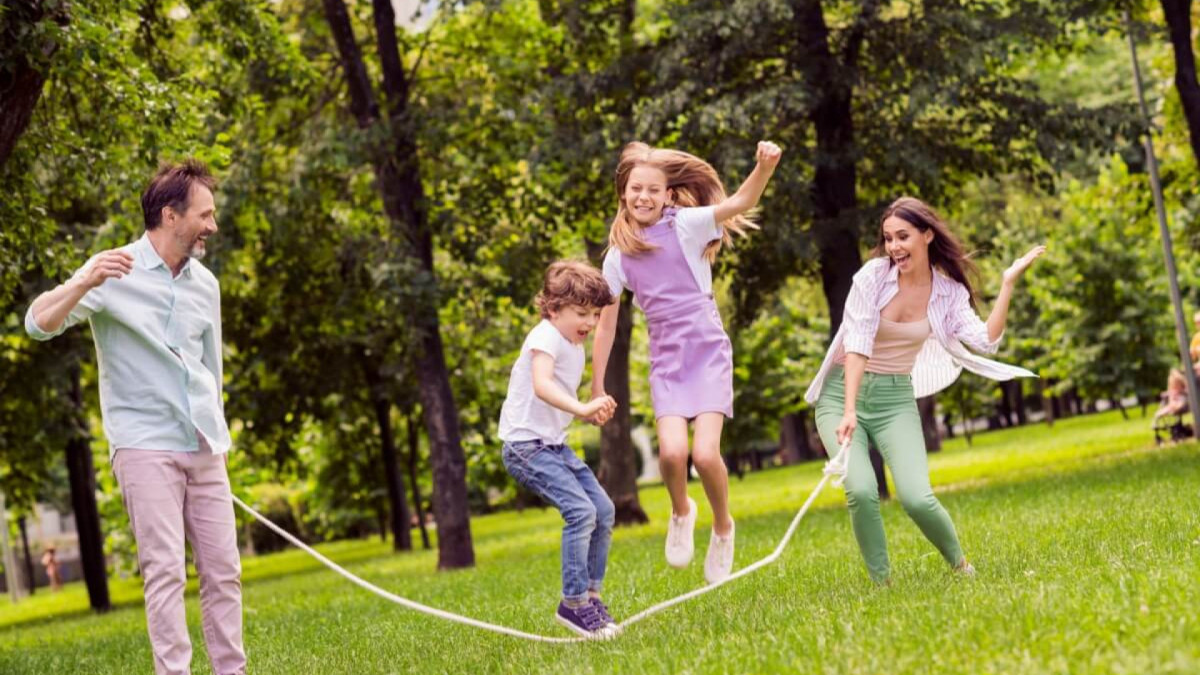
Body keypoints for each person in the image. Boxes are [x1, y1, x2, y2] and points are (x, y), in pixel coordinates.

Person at [25, 160, 245, 674]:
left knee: (225, 572)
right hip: (144, 444)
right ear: (171, 216)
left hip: (203, 445)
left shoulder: (204, 284)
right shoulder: (112, 271)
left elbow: (211, 367)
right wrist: (83, 280)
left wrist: (215, 433)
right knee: (166, 571)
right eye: (204, 214)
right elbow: (38, 324)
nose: (212, 225)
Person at [805, 196, 1044, 585]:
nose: (895, 247)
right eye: (888, 239)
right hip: (840, 396)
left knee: (917, 497)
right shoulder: (872, 277)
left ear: (927, 235)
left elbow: (985, 340)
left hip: (894, 400)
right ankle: (882, 584)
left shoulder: (947, 292)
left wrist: (1007, 283)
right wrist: (848, 410)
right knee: (862, 491)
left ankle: (961, 566)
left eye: (903, 236)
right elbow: (857, 343)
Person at [593, 140, 783, 584]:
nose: (644, 197)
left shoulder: (687, 226)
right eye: (636, 189)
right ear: (624, 192)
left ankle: (722, 525)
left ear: (669, 194)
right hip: (667, 360)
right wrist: (598, 384)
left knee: (704, 453)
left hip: (708, 351)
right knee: (673, 453)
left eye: (653, 190)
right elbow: (605, 327)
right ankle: (681, 511)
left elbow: (741, 201)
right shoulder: (617, 256)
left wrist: (764, 167)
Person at [499, 261, 620, 638]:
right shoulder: (545, 336)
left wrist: (586, 413)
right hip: (525, 447)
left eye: (595, 314)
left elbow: (558, 402)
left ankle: (591, 599)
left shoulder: (573, 343)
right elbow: (541, 385)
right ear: (553, 309)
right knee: (581, 512)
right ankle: (573, 604)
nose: (590, 322)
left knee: (603, 510)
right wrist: (582, 407)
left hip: (553, 444)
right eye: (582, 313)